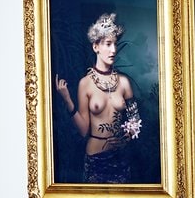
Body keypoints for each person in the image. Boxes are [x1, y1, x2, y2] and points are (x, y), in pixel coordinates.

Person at [55, 13, 141, 183]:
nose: (113, 50)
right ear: (96, 47)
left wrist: (125, 139)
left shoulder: (124, 82)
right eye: (108, 44)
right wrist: (68, 100)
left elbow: (135, 119)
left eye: (115, 44)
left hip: (121, 159)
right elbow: (83, 130)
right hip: (95, 161)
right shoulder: (85, 84)